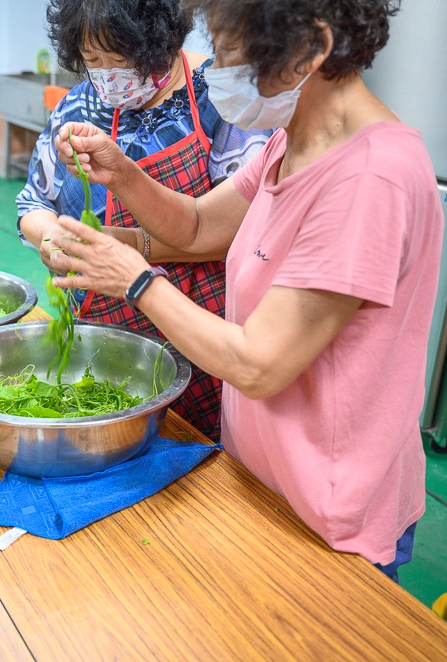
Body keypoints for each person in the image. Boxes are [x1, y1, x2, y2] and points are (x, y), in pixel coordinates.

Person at [45, 0, 441, 580]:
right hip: (265, 481)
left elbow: (258, 364)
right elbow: (200, 226)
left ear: (311, 46)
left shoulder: (370, 179)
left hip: (329, 511)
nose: (217, 69)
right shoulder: (291, 144)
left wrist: (132, 279)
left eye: (231, 52)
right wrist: (121, 173)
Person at [17, 0, 270, 440]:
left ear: (161, 44)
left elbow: (236, 231)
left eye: (120, 58)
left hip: (204, 337)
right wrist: (54, 237)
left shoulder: (221, 104)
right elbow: (32, 204)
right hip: (106, 338)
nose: (107, 75)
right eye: (93, 61)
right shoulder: (79, 107)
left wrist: (126, 249)